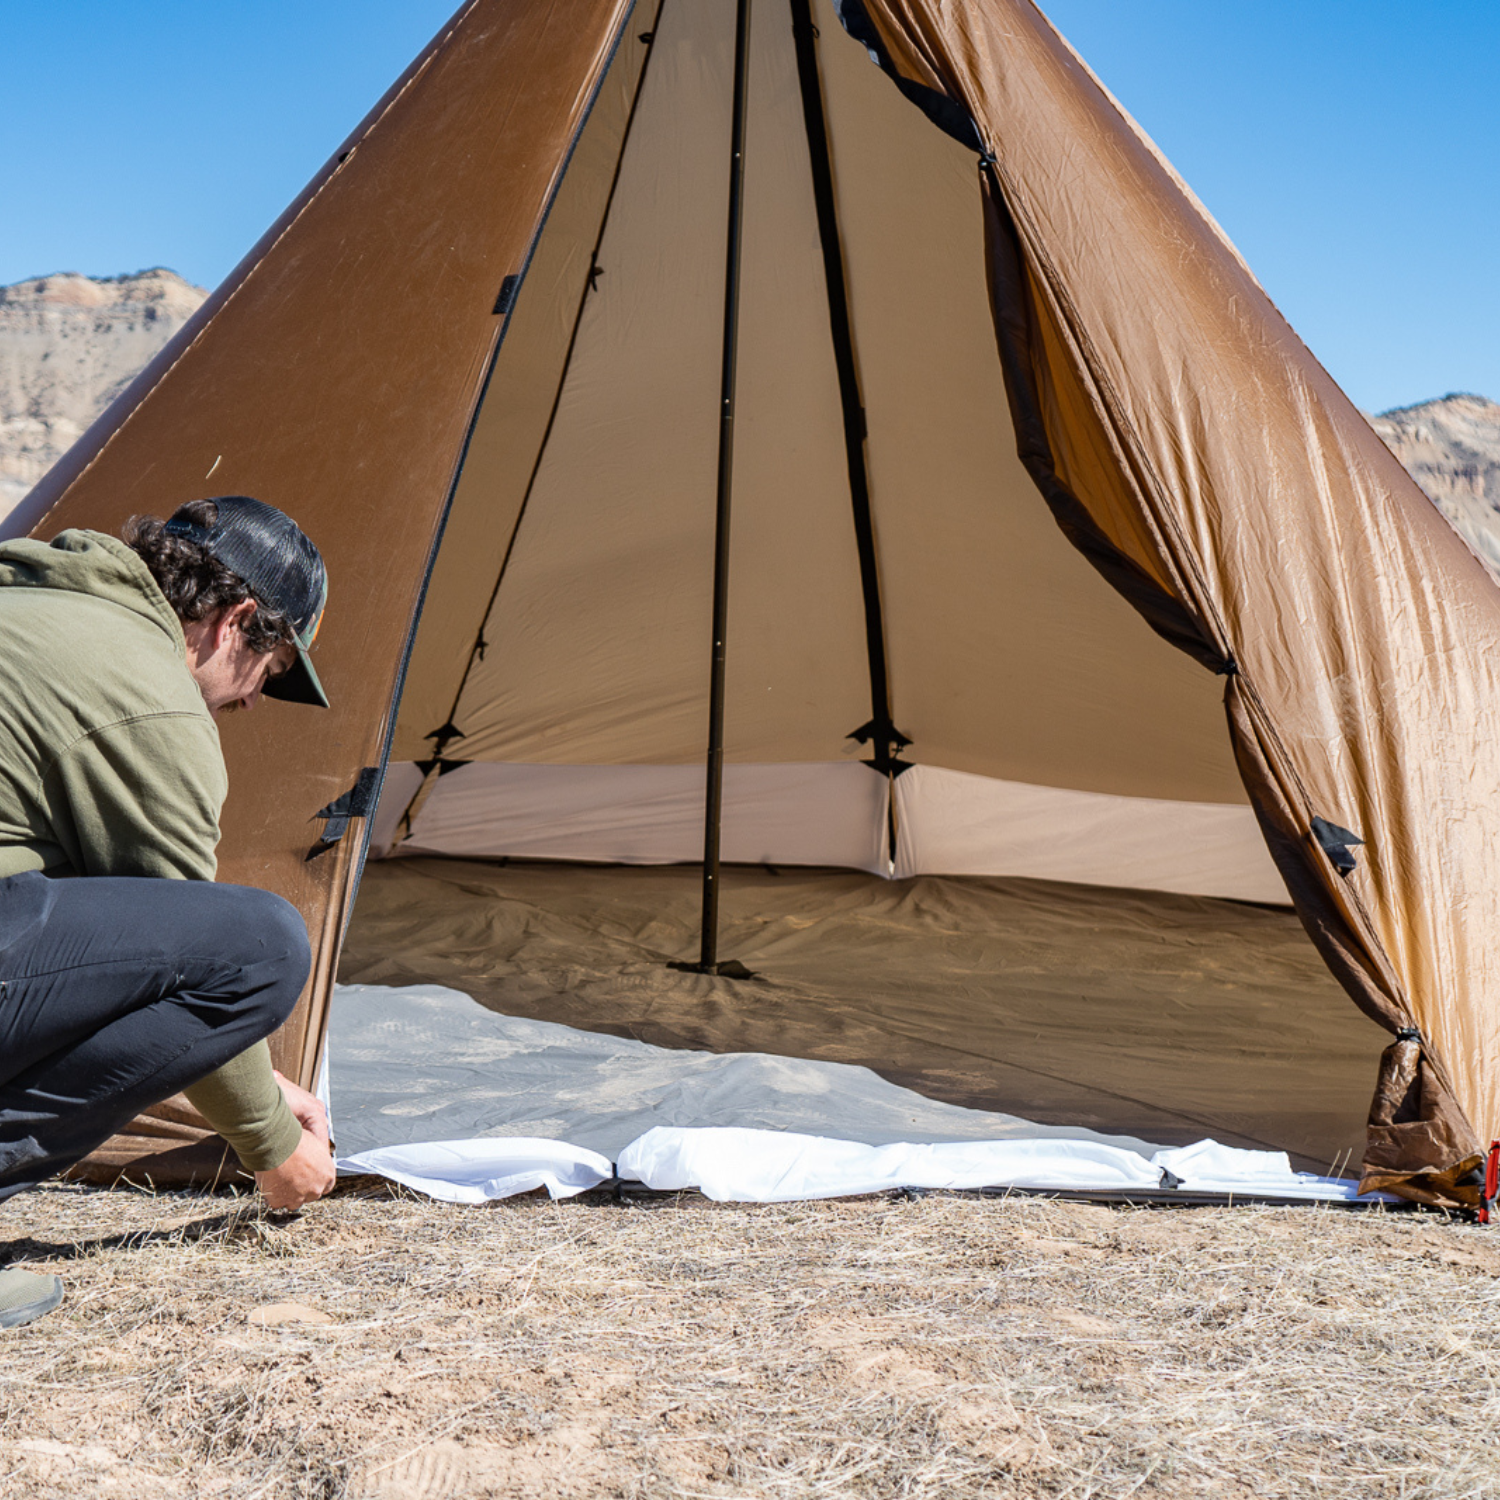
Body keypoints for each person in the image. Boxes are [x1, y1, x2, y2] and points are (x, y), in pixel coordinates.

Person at [0, 496, 337, 1331]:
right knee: (259, 945)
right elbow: (197, 955)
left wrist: (259, 1076)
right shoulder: (147, 699)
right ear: (237, 621)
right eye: (276, 668)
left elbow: (106, 950)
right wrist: (273, 1145)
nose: (259, 698)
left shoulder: (35, 603)